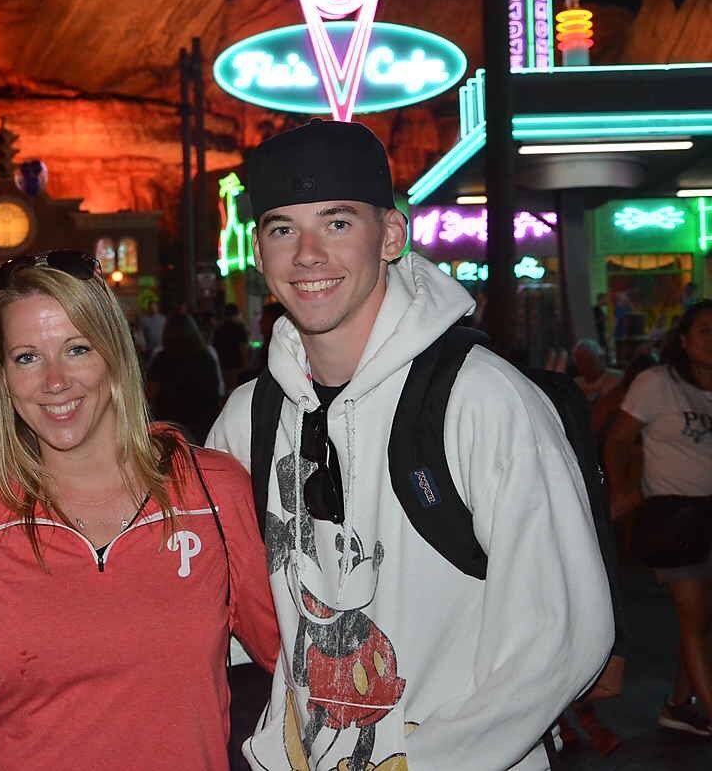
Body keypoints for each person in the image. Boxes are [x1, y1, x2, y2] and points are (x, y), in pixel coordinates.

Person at [206, 120, 613, 770]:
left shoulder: (481, 399)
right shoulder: (249, 418)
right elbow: (223, 612)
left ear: (392, 235)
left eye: (338, 222)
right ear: (258, 250)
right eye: (283, 229)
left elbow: (562, 634)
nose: (307, 254)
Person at [0, 249, 279, 770]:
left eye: (77, 349)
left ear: (115, 354)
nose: (55, 381)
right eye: (27, 357)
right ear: (3, 375)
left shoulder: (211, 492)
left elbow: (301, 662)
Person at [604, 299, 712, 737]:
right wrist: (622, 489)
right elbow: (617, 439)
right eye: (705, 331)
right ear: (683, 340)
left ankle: (679, 704)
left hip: (708, 511)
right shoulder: (657, 383)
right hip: (673, 515)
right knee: (694, 620)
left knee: (703, 620)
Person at [147, 311, 225, 442]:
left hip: (170, 425)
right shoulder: (206, 357)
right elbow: (216, 391)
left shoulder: (162, 360)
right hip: (203, 424)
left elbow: (151, 392)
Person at [214, 302, 251, 392]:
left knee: (227, 391)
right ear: (236, 314)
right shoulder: (239, 328)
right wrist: (246, 366)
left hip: (223, 367)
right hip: (237, 367)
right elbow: (243, 348)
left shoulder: (218, 329)